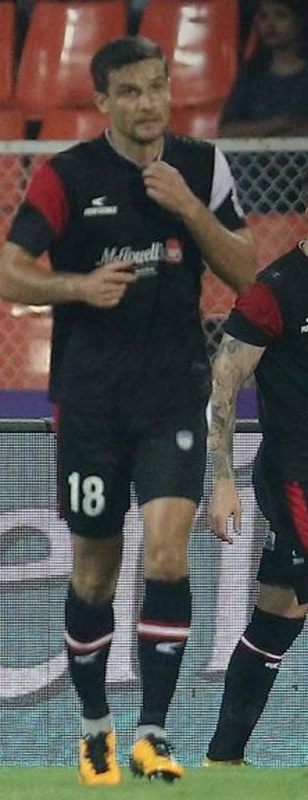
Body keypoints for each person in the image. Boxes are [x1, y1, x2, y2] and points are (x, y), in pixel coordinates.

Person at [0, 36, 257, 784]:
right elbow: (10, 275)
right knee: (94, 573)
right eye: (132, 92)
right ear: (104, 101)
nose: (149, 103)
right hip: (90, 404)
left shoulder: (201, 167)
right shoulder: (68, 175)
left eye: (158, 87)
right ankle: (94, 729)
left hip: (174, 394)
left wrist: (189, 209)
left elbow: (247, 272)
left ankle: (153, 732)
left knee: (169, 553)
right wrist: (79, 287)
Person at [203, 221, 308, 766]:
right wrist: (222, 479)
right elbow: (225, 380)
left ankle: (224, 759)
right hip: (296, 474)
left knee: (280, 612)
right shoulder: (276, 290)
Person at [219, 0, 308, 138]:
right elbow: (226, 131)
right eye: (263, 16)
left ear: (300, 22)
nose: (270, 25)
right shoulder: (251, 73)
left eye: (281, 16)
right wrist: (281, 124)